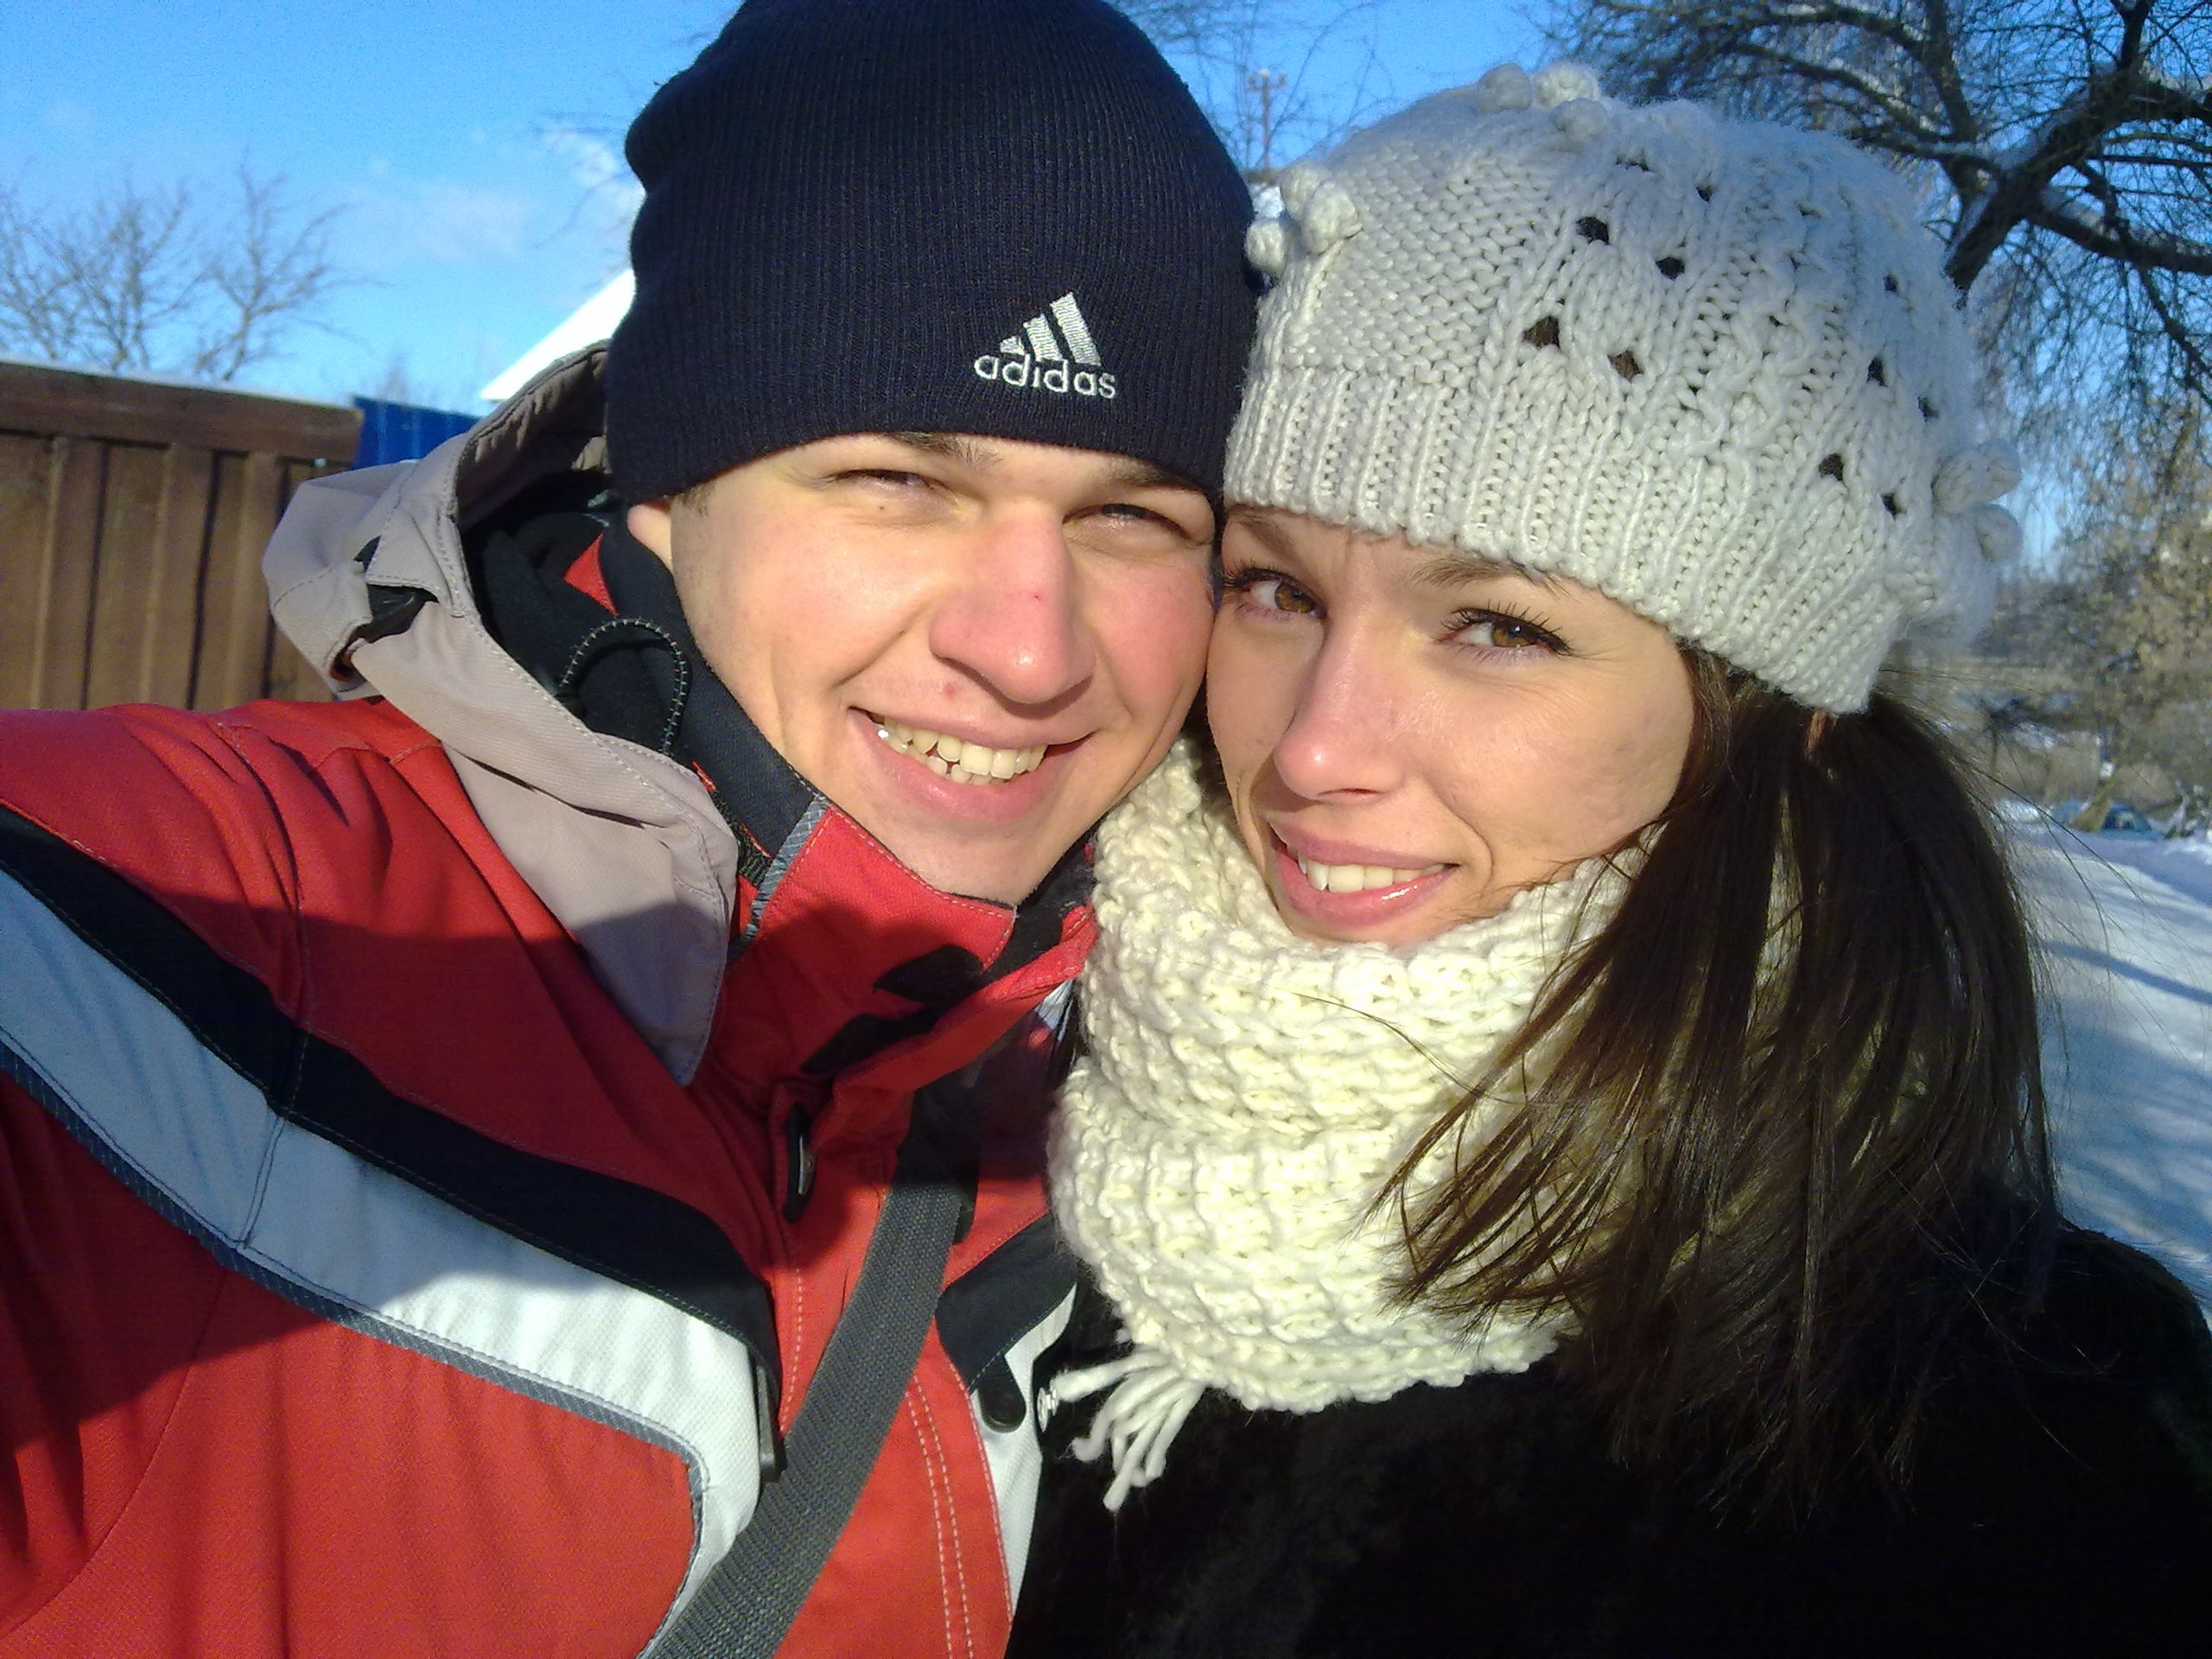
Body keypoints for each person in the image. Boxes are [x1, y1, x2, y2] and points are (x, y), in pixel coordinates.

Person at [0, 3, 1255, 1656]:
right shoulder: (141, 935)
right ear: (663, 497)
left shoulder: (1166, 1118)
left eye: (1132, 515)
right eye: (896, 484)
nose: (1029, 651)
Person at [1009, 63, 2212, 1657]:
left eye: (1497, 627)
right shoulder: (992, 1102)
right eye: (1276, 591)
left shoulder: (2026, 1446)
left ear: (1768, 713)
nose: (1313, 749)